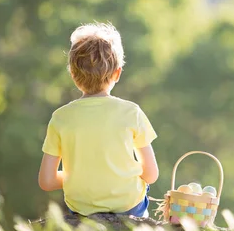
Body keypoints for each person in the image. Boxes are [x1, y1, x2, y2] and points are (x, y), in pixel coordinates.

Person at [38, 22, 158, 217]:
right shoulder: (131, 112)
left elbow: (47, 181)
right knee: (143, 190)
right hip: (128, 206)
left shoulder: (60, 117)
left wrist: (76, 178)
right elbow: (151, 175)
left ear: (73, 75)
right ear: (117, 73)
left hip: (82, 208)